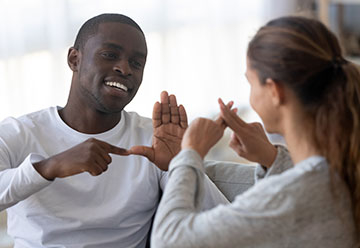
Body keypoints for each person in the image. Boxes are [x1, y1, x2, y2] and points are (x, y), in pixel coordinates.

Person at [0, 13, 232, 248]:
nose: (125, 69)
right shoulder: (17, 133)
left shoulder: (153, 139)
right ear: (74, 59)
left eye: (136, 63)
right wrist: (50, 167)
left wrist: (181, 163)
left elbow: (228, 226)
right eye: (109, 55)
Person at [151, 16, 359, 247]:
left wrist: (189, 154)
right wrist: (272, 158)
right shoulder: (342, 166)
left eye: (250, 82)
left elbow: (168, 241)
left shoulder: (295, 195)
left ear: (274, 90)